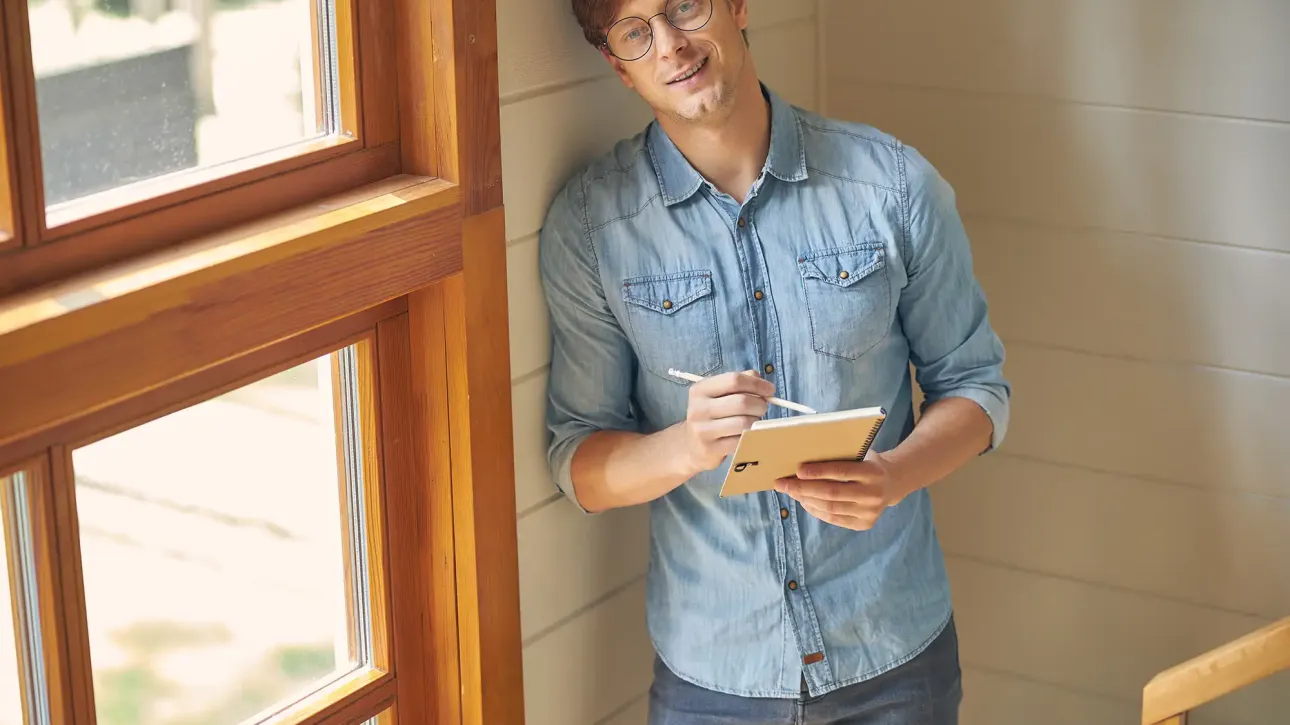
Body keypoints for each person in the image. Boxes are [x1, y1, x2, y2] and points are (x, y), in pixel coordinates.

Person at [537, 0, 1011, 722]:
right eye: (636, 32)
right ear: (618, 66)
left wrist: (893, 475)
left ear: (734, 5)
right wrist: (685, 445)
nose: (669, 45)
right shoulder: (591, 227)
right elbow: (579, 461)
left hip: (893, 656)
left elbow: (976, 388)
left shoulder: (893, 186)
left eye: (682, 8)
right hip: (713, 679)